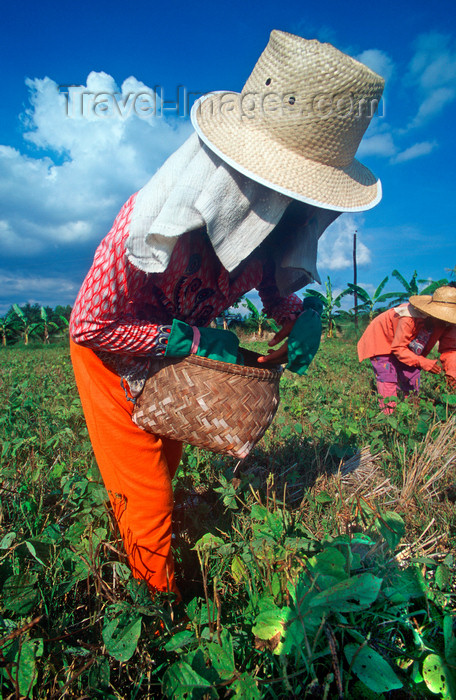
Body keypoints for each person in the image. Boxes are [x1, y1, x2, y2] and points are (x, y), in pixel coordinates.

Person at [69, 30, 384, 599]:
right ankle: (156, 613)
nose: (290, 209)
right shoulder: (149, 223)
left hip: (175, 362)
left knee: (166, 452)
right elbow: (89, 326)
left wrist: (303, 310)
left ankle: (164, 529)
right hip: (112, 357)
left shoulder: (273, 231)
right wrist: (187, 336)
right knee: (145, 494)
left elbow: (272, 293)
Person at [357, 286, 456, 414]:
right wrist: (422, 362)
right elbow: (399, 348)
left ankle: (411, 413)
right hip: (383, 339)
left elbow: (450, 349)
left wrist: (452, 374)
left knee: (412, 376)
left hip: (409, 348)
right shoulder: (409, 317)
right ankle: (388, 415)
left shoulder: (449, 323)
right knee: (387, 374)